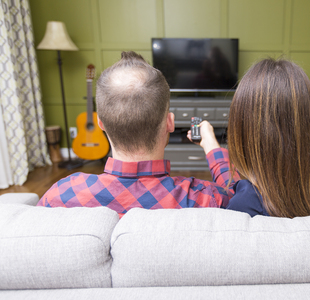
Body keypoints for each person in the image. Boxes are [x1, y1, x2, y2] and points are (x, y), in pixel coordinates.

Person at [37, 51, 239, 218]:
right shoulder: (206, 199)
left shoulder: (61, 194)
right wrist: (212, 146)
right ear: (170, 123)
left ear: (101, 123)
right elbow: (242, 198)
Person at [190, 58, 310, 218]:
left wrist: (210, 144)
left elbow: (232, 190)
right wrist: (209, 144)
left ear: (242, 133)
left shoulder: (244, 209)